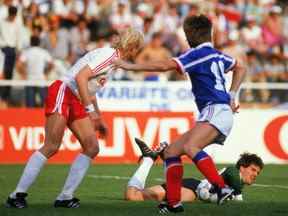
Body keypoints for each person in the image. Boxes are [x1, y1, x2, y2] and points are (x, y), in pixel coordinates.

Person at [113, 15, 246, 213]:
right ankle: (173, 203)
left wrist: (130, 66)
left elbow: (164, 65)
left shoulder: (196, 55)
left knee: (192, 146)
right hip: (220, 111)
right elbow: (241, 66)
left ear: (191, 35)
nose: (185, 38)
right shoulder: (218, 55)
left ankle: (221, 187)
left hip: (215, 110)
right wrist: (232, 95)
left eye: (186, 35)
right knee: (171, 152)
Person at [6, 28, 144, 209]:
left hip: (75, 98)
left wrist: (98, 115)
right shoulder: (110, 56)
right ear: (132, 46)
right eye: (138, 49)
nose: (137, 53)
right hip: (64, 90)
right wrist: (91, 112)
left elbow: (89, 88)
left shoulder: (113, 60)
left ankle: (65, 196)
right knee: (52, 145)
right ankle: (16, 195)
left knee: (92, 147)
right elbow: (80, 77)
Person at [125, 138, 264, 203]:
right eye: (253, 170)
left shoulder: (236, 186)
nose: (255, 175)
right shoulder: (233, 173)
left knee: (132, 196)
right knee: (172, 206)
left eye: (257, 173)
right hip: (193, 190)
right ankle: (161, 157)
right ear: (242, 167)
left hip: (191, 186)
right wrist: (237, 195)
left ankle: (149, 159)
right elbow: (231, 175)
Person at [16, 36, 53, 107]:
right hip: (41, 79)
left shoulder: (27, 52)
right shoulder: (43, 52)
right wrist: (46, 73)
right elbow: (51, 64)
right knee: (45, 105)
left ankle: (29, 118)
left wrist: (23, 74)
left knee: (30, 105)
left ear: (30, 42)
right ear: (39, 43)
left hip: (30, 79)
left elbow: (18, 65)